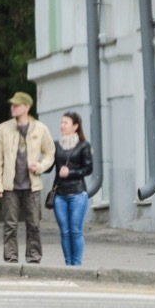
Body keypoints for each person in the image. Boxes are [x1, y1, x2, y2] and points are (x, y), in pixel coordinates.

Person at [0, 91, 56, 263]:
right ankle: (11, 257)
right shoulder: (3, 129)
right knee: (10, 225)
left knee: (33, 225)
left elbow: (50, 152)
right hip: (10, 186)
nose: (12, 108)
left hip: (32, 186)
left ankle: (33, 257)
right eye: (12, 105)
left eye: (16, 105)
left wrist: (40, 166)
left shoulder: (40, 129)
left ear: (26, 107)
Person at [49, 111, 93, 266]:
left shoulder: (83, 145)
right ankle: (68, 265)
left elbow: (88, 169)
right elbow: (49, 166)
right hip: (59, 194)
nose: (62, 126)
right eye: (61, 122)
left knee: (75, 230)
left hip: (77, 193)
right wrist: (38, 165)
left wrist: (70, 172)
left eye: (65, 123)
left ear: (75, 126)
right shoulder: (55, 145)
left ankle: (77, 265)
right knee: (65, 232)